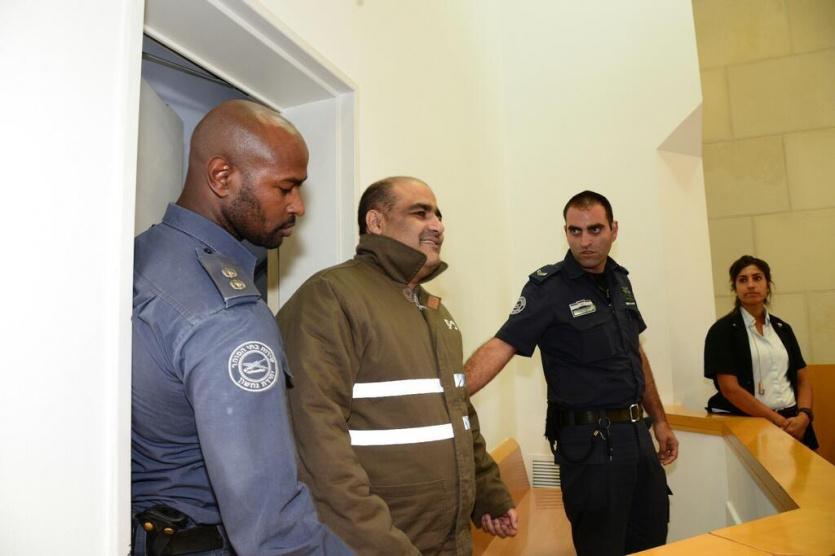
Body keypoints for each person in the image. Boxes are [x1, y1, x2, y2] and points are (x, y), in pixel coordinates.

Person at [131, 100, 350, 555]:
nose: (298, 205)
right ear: (222, 177)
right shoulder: (229, 319)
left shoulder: (140, 255)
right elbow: (276, 534)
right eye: (285, 187)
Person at [277, 176, 517, 555]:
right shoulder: (330, 298)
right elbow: (316, 447)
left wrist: (488, 493)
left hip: (448, 541)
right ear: (376, 222)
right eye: (420, 213)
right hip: (378, 543)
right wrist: (381, 544)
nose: (437, 225)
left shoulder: (435, 312)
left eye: (438, 215)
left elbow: (459, 412)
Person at [465, 190, 677, 555]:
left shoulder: (620, 281)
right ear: (565, 232)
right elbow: (503, 344)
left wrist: (659, 420)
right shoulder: (548, 289)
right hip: (591, 445)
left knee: (651, 540)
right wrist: (449, 394)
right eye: (575, 231)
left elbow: (635, 354)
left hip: (637, 437)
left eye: (595, 230)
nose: (585, 241)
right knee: (601, 547)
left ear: (613, 230)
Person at [704, 255, 818, 449]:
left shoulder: (782, 328)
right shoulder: (722, 331)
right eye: (743, 280)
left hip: (795, 423)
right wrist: (778, 421)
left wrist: (804, 416)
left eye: (757, 278)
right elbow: (730, 389)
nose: (750, 285)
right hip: (752, 424)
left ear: (768, 285)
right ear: (735, 288)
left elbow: (802, 380)